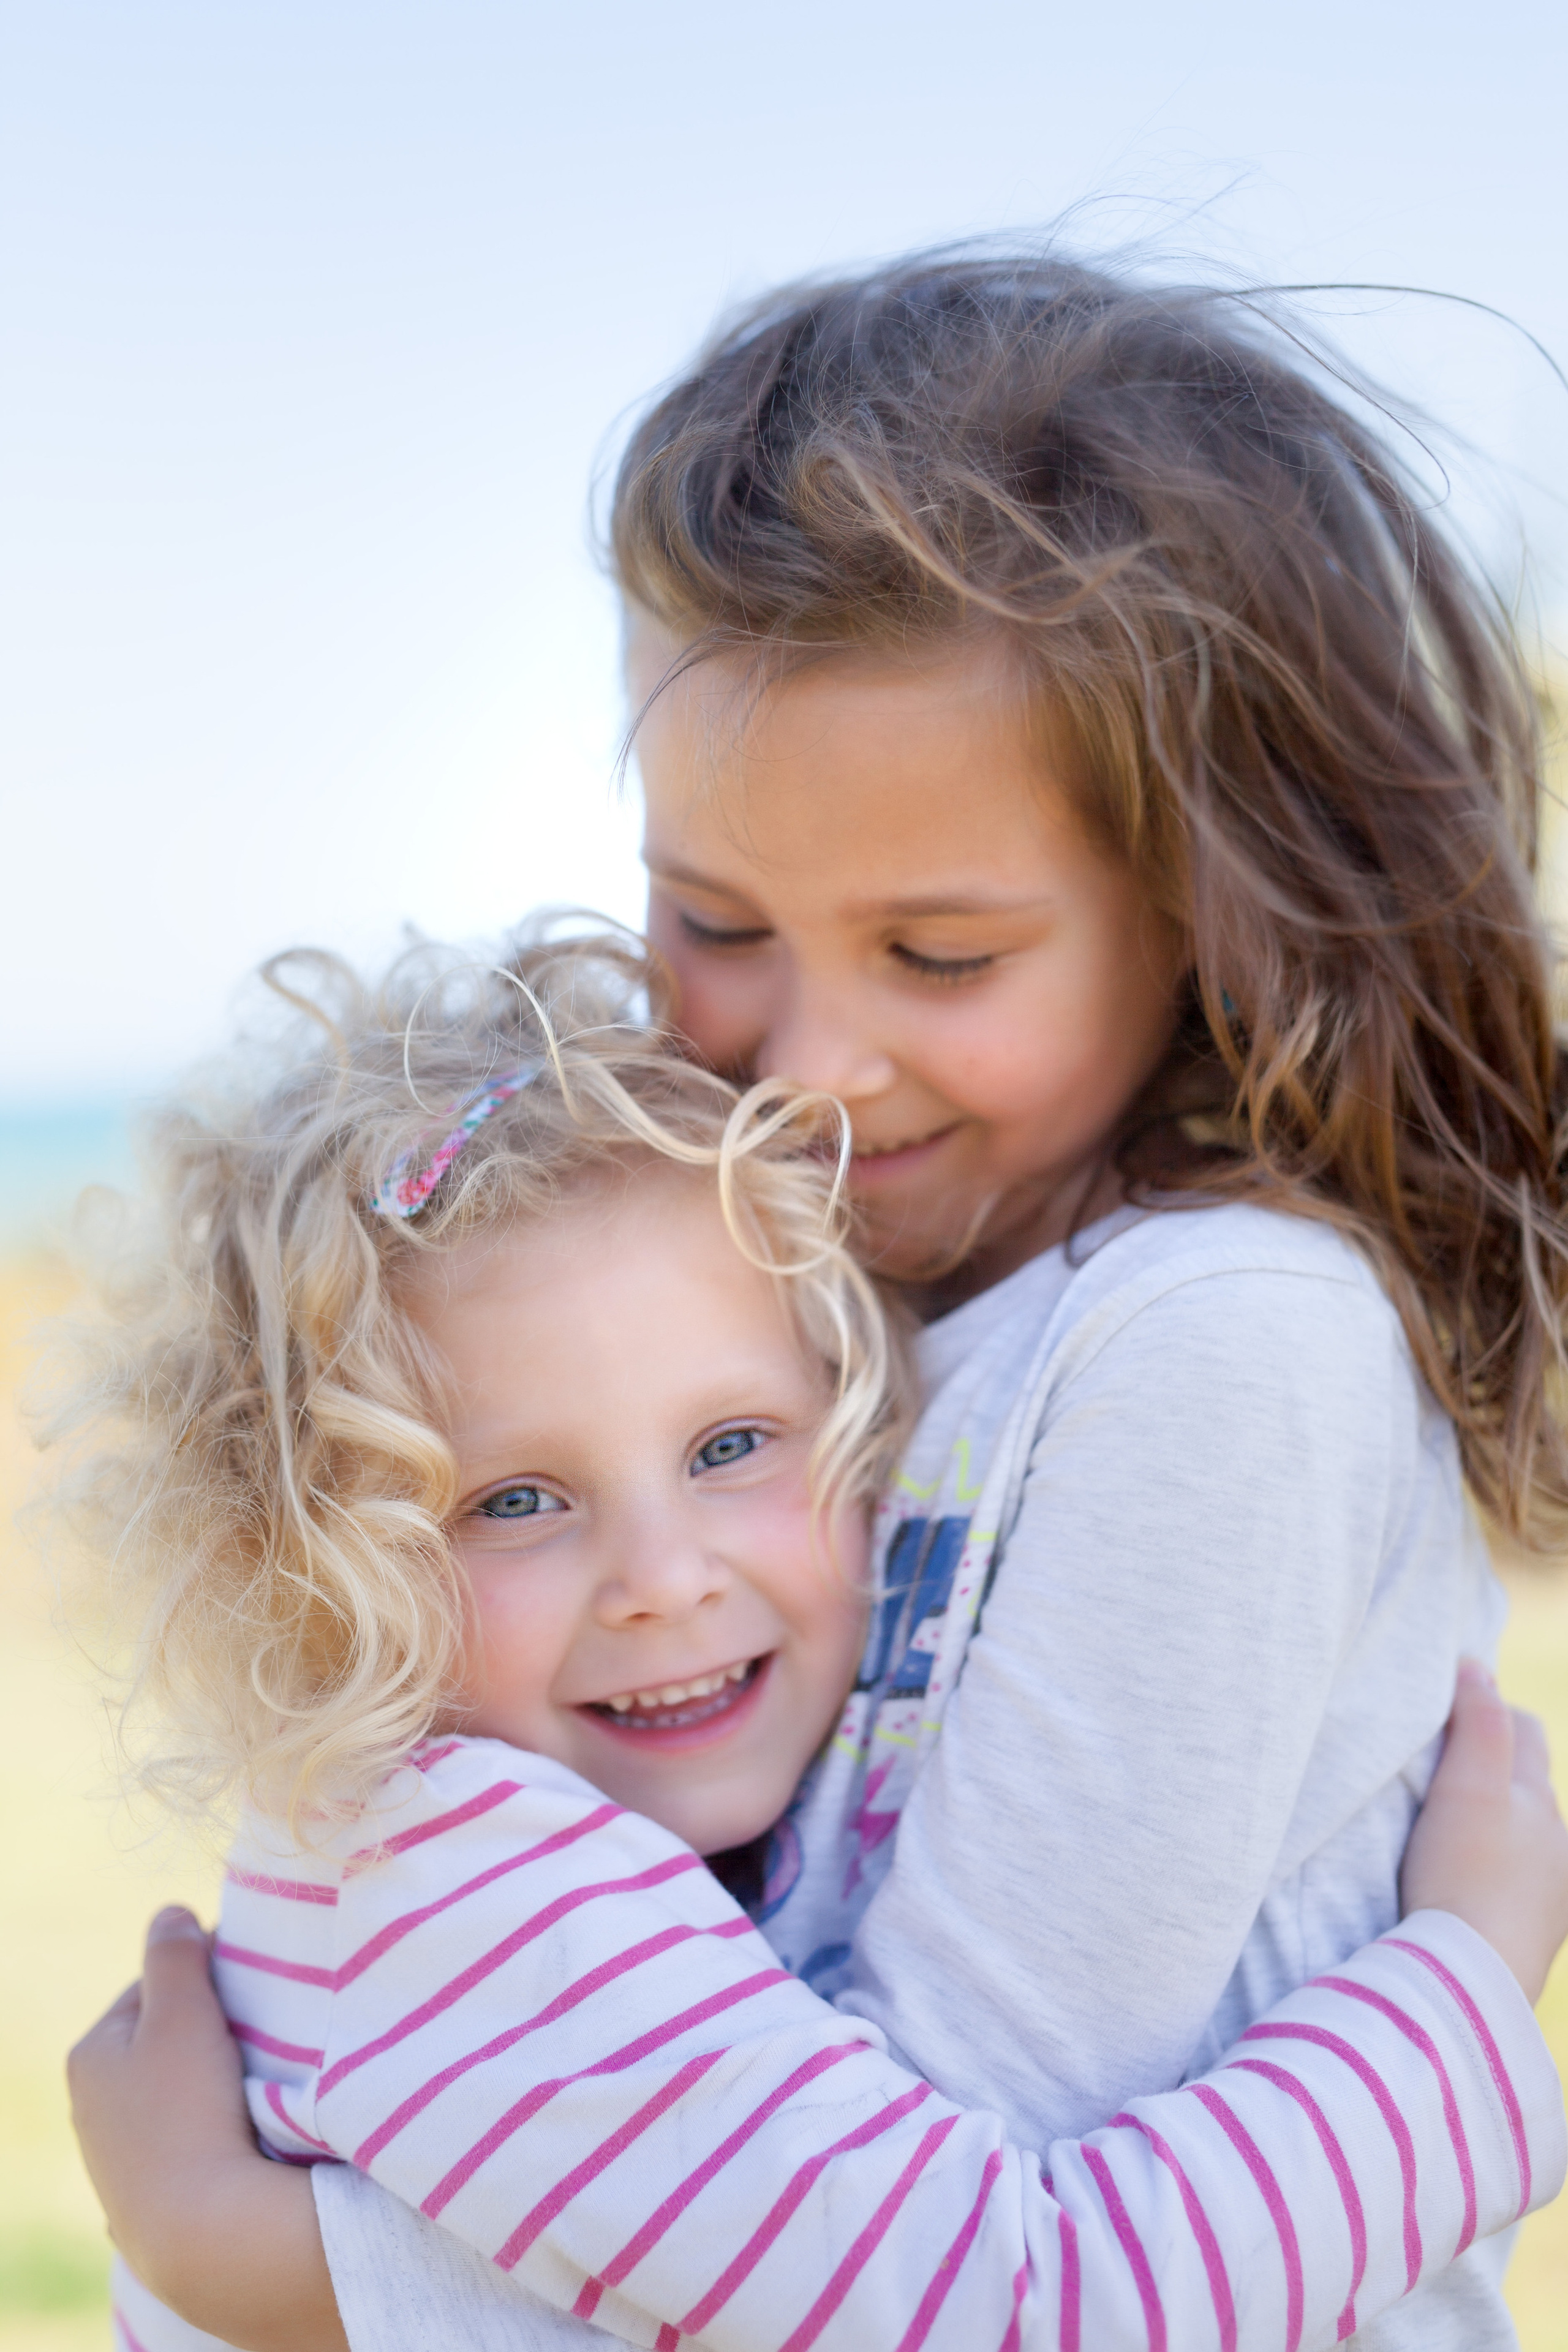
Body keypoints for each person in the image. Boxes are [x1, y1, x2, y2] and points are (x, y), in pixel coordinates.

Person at [64, 248, 1568, 2348]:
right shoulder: (799, 1297)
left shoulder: (1226, 1343)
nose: (810, 1068)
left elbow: (931, 2255)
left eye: (940, 956)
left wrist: (285, 2269)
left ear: (1209, 905)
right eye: (712, 918)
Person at [57, 932, 1568, 2352]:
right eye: (513, 1501)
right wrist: (1463, 1983)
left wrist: (258, 2258)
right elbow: (1014, 2314)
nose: (662, 1580)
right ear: (309, 1575)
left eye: (730, 1446)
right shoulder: (471, 1882)